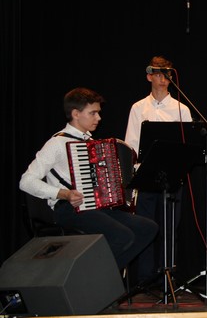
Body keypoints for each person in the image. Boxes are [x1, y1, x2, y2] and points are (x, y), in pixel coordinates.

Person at [19, 87, 158, 271]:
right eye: (93, 113)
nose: (98, 118)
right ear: (76, 114)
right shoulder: (57, 143)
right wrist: (64, 194)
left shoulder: (92, 144)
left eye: (98, 113)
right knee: (122, 236)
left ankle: (102, 276)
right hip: (68, 209)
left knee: (148, 228)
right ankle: (90, 277)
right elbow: (26, 181)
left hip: (95, 208)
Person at [124, 55, 193, 285]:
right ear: (149, 76)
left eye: (167, 74)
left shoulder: (181, 108)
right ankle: (145, 277)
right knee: (146, 225)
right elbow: (131, 143)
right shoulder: (138, 108)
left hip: (172, 174)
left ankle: (167, 275)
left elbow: (187, 144)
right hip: (146, 174)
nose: (164, 78)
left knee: (170, 226)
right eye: (159, 73)